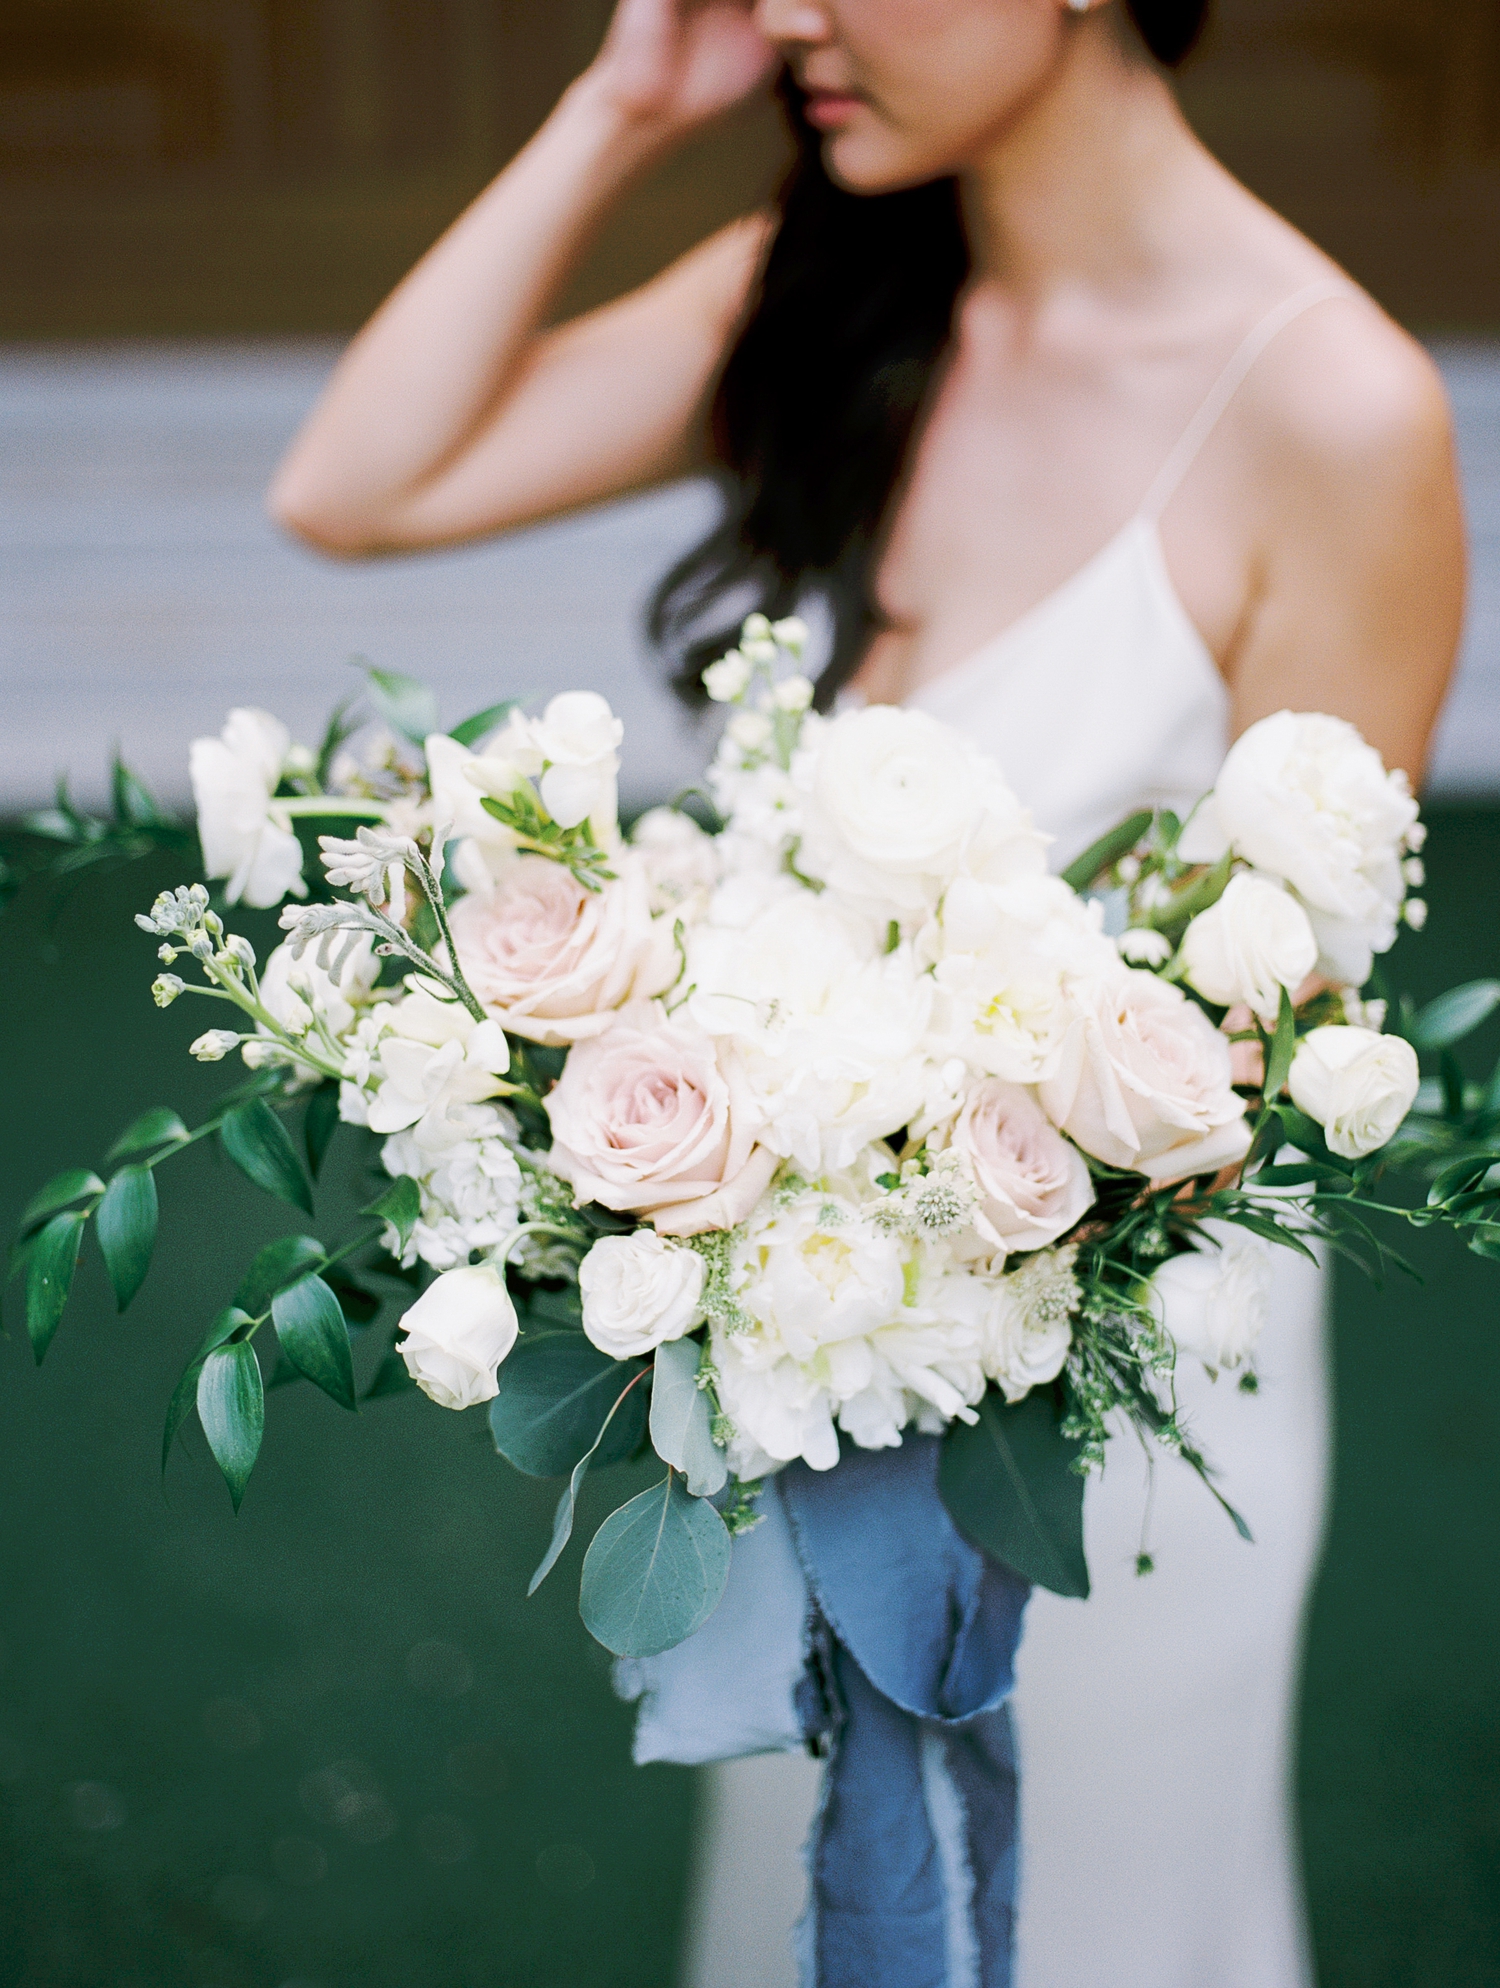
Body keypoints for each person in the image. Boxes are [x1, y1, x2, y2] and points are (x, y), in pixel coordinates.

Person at [270, 4, 1466, 1984]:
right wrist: (617, 106)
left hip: (1116, 1389)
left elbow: (1278, 1034)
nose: (790, 13)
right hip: (818, 1357)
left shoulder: (1330, 409)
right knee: (815, 1869)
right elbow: (355, 485)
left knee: (1083, 1908)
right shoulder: (835, 276)